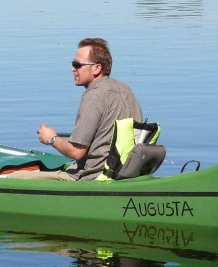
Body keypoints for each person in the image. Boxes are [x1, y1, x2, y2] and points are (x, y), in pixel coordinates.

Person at [9, 38, 142, 180]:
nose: (72, 69)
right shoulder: (124, 89)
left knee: (11, 178)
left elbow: (76, 152)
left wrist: (51, 139)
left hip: (92, 177)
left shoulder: (93, 97)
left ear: (97, 68)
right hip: (122, 172)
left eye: (77, 64)